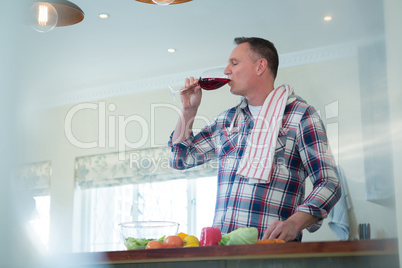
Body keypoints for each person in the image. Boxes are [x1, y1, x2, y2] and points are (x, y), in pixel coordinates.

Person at [168, 37, 341, 242]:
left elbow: (329, 182)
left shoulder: (300, 115)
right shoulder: (226, 121)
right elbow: (179, 159)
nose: (226, 71)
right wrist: (188, 110)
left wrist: (294, 223)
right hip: (221, 251)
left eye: (234, 63)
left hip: (271, 251)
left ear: (260, 66)